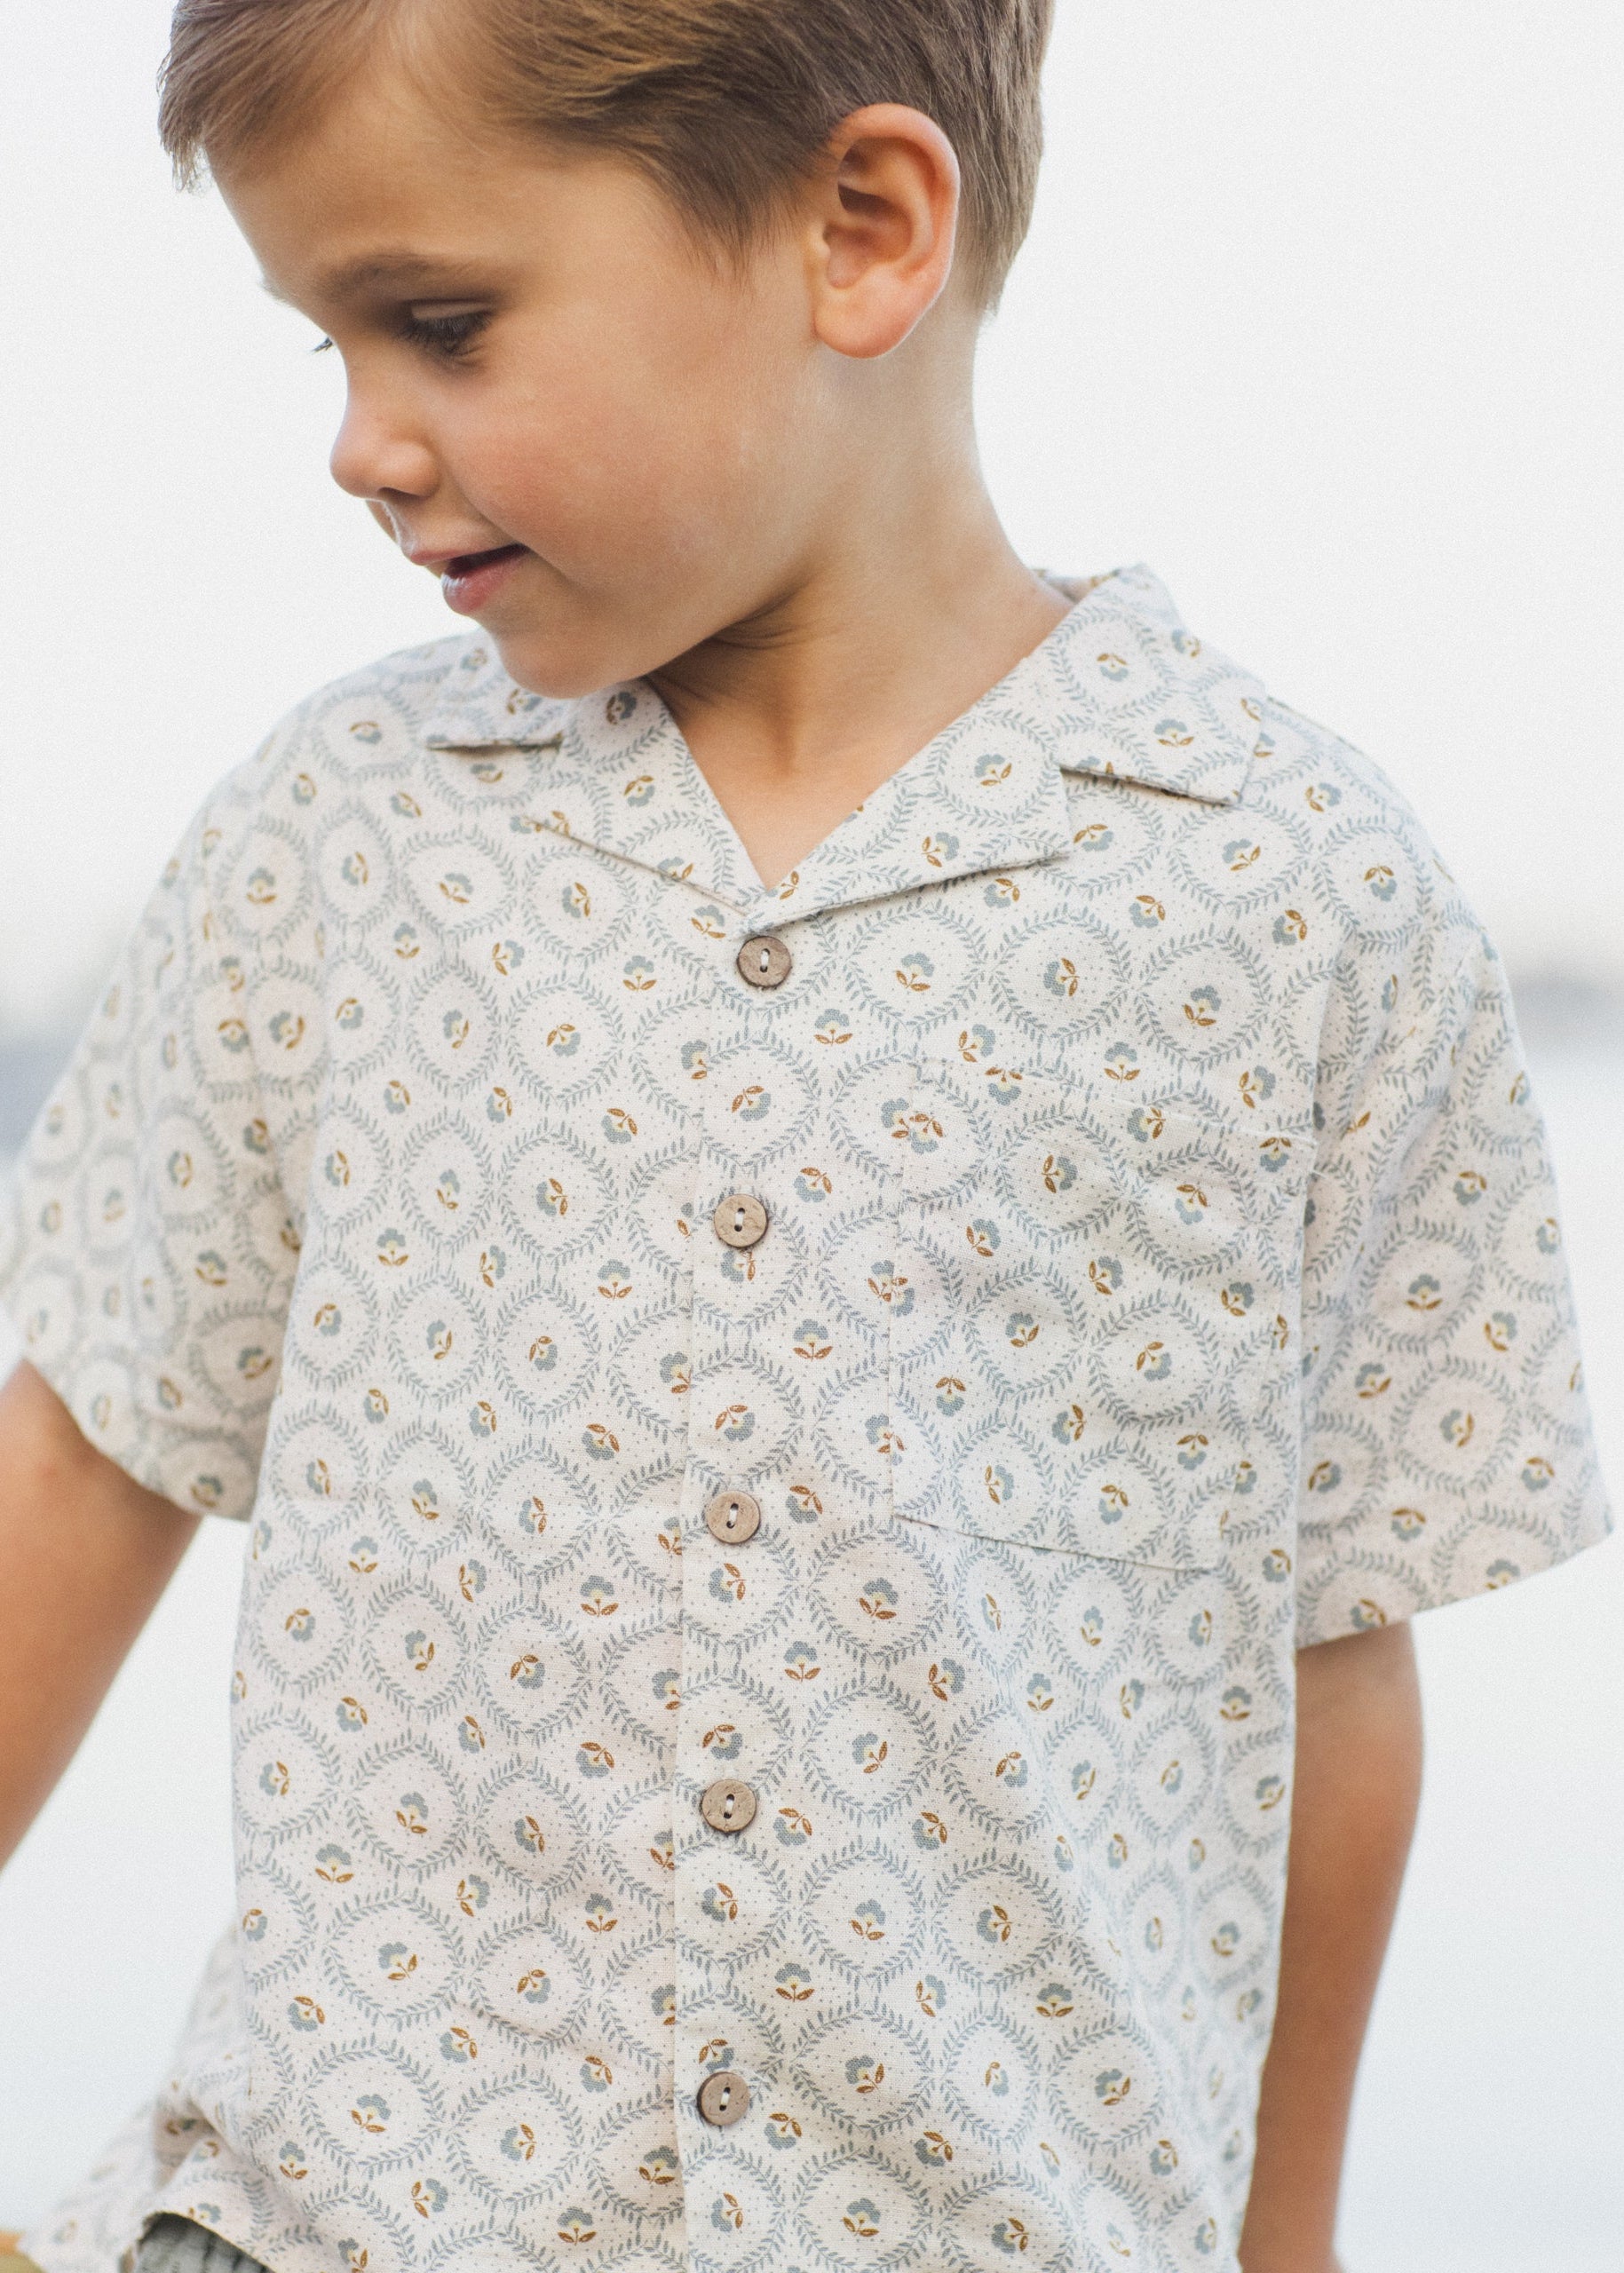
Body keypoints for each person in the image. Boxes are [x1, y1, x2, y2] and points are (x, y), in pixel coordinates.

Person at [0, 3, 1608, 2270]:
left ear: (860, 231)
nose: (362, 443)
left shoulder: (1294, 896)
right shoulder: (341, 839)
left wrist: (1288, 2238)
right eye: (327, 346)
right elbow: (85, 1450)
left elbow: (1328, 1652)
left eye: (439, 325)